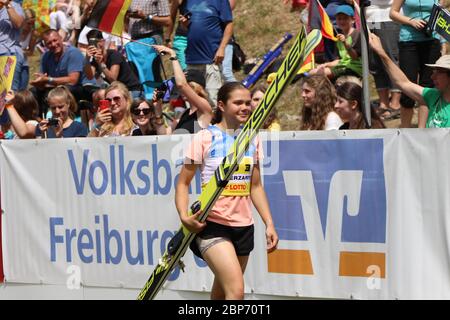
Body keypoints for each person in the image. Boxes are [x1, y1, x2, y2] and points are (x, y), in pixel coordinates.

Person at [175, 82, 278, 300]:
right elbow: (183, 183)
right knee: (236, 291)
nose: (245, 107)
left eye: (248, 103)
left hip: (243, 226)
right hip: (212, 224)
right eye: (238, 103)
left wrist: (269, 222)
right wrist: (184, 216)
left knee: (222, 293)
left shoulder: (252, 138)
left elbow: (256, 186)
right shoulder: (205, 137)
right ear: (221, 105)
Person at [370, 33, 450, 128]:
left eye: (439, 72)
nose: (432, 77)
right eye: (433, 72)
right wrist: (381, 52)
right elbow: (403, 82)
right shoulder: (432, 96)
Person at [390, 0, 442, 128]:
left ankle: (422, 130)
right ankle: (405, 131)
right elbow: (392, 13)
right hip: (409, 41)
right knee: (408, 87)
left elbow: (440, 14)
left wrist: (442, 41)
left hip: (432, 40)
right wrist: (411, 21)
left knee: (428, 87)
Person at [181, 0, 234, 106]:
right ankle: (197, 124)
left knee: (212, 100)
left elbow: (229, 24)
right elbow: (187, 28)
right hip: (192, 59)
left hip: (211, 58)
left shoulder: (220, 1)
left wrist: (222, 48)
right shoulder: (188, 2)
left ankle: (212, 122)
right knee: (194, 101)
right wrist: (184, 24)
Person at [153, 44, 213, 134]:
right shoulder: (183, 114)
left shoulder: (204, 108)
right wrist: (158, 110)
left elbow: (181, 84)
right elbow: (164, 136)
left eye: (190, 87)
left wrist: (173, 54)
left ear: (198, 87)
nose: (181, 91)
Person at [30, 29, 85, 117]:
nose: (53, 44)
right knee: (32, 92)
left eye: (55, 40)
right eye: (49, 43)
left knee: (64, 90)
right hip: (55, 87)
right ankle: (38, 119)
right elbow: (44, 79)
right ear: (46, 45)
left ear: (61, 38)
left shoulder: (73, 53)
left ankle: (67, 118)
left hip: (77, 88)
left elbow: (73, 80)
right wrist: (39, 83)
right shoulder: (46, 56)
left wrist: (48, 79)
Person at [126, 0, 170, 99]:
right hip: (134, 42)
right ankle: (141, 106)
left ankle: (155, 107)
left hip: (150, 39)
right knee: (137, 78)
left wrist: (146, 17)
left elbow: (167, 21)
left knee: (150, 77)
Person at [367, 0, 402, 121]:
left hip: (388, 17)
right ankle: (383, 103)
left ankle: (395, 103)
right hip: (369, 18)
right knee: (374, 61)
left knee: (390, 58)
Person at [84, 29, 142, 98]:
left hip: (132, 90)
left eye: (95, 42)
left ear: (102, 41)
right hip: (118, 91)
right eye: (90, 43)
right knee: (95, 95)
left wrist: (101, 63)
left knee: (102, 94)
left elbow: (113, 79)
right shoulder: (95, 59)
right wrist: (87, 59)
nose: (94, 45)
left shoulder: (114, 55)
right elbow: (90, 76)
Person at [309, 5, 362, 80]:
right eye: (339, 19)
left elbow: (355, 57)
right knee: (313, 71)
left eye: (345, 18)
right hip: (343, 66)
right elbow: (339, 61)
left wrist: (345, 43)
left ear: (353, 20)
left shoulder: (357, 34)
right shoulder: (338, 38)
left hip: (355, 68)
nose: (342, 21)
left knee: (315, 74)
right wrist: (325, 64)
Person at [0, 0, 25, 91]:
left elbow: (18, 23)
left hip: (8, 56)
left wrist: (7, 5)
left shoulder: (14, 5)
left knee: (7, 94)